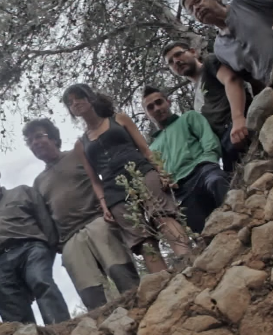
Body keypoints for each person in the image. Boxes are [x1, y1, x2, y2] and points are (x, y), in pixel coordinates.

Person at [64, 84, 193, 273]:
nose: (75, 103)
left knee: (163, 214)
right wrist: (104, 204)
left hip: (142, 171)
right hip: (114, 191)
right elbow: (94, 179)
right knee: (140, 237)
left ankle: (189, 260)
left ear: (90, 98)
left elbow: (145, 149)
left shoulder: (118, 118)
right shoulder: (80, 144)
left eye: (78, 97)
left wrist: (161, 171)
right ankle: (163, 282)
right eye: (70, 102)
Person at [23, 118, 141, 310]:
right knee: (91, 295)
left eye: (38, 137)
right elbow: (45, 217)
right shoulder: (38, 182)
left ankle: (143, 311)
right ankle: (109, 332)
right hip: (69, 239)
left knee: (122, 274)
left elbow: (100, 179)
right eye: (30, 141)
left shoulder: (78, 155)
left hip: (97, 221)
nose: (35, 143)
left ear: (53, 138)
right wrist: (59, 244)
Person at [0, 158, 70, 325]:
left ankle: (61, 329)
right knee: (9, 304)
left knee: (39, 280)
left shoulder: (23, 191)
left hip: (31, 248)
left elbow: (43, 218)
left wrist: (52, 245)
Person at [142, 87, 231, 234]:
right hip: (181, 190)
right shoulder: (152, 148)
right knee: (203, 231)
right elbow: (159, 174)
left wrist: (209, 162)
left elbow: (208, 140)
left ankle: (241, 214)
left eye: (159, 102)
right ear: (147, 115)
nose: (157, 108)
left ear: (168, 102)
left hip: (203, 171)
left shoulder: (189, 118)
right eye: (150, 107)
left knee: (217, 182)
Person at [161, 40, 253, 172]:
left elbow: (232, 79)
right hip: (227, 145)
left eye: (179, 54)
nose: (176, 61)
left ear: (193, 52)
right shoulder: (196, 101)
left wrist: (238, 118)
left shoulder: (209, 64)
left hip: (240, 126)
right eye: (170, 62)